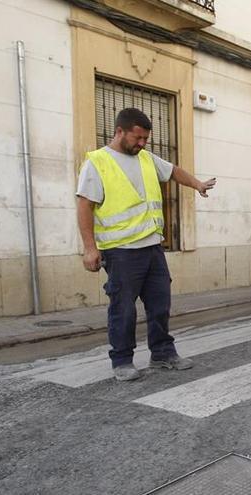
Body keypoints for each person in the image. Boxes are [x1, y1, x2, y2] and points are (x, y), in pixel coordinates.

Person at [76, 108, 216, 382]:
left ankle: (163, 353)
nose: (142, 144)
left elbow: (173, 171)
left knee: (160, 303)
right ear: (119, 131)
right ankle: (122, 361)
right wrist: (90, 248)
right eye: (137, 138)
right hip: (121, 251)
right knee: (123, 308)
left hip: (153, 248)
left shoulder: (147, 159)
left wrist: (196, 184)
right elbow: (85, 205)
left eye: (145, 139)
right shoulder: (98, 163)